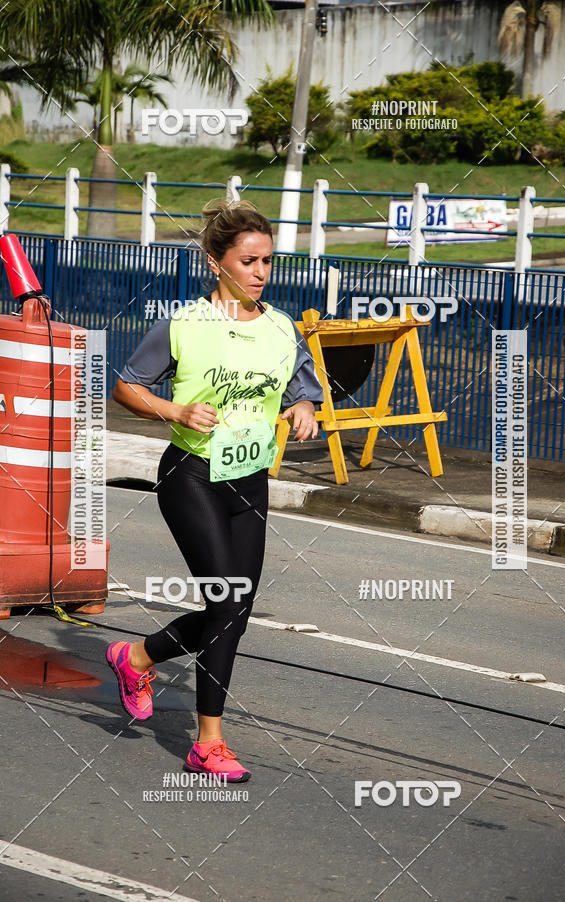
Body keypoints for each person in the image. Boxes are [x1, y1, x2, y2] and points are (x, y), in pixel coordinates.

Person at [106, 199, 324, 782]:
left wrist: (303, 407)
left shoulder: (282, 328)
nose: (259, 272)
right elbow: (126, 386)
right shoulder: (184, 324)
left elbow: (301, 389)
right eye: (248, 261)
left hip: (248, 480)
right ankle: (209, 742)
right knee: (227, 603)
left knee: (236, 611)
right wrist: (174, 408)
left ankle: (137, 657)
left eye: (267, 262)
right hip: (191, 476)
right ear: (215, 263)